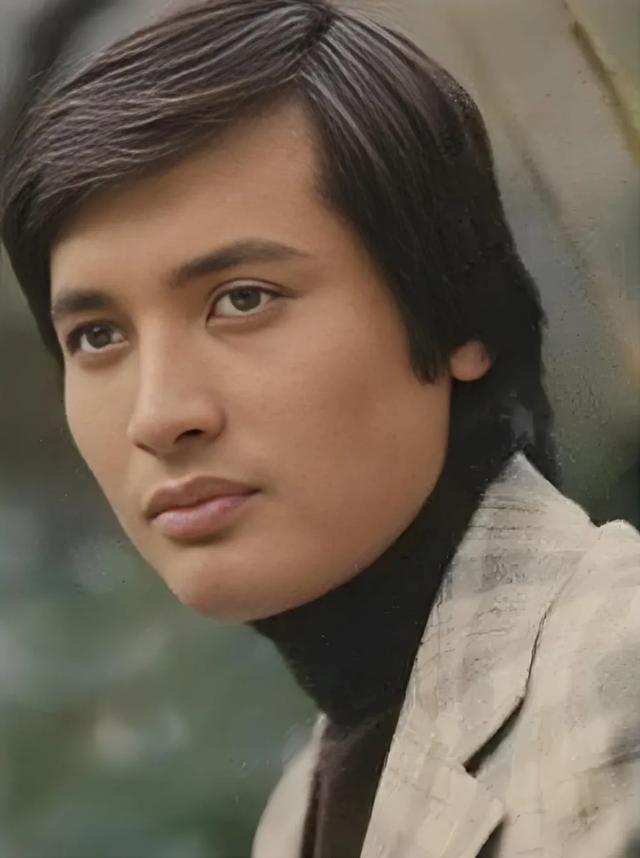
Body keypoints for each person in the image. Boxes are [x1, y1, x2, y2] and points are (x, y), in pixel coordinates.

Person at [2, 0, 639, 855]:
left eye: (243, 300)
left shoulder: (617, 672)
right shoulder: (307, 801)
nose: (158, 415)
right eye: (97, 336)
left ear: (458, 317)